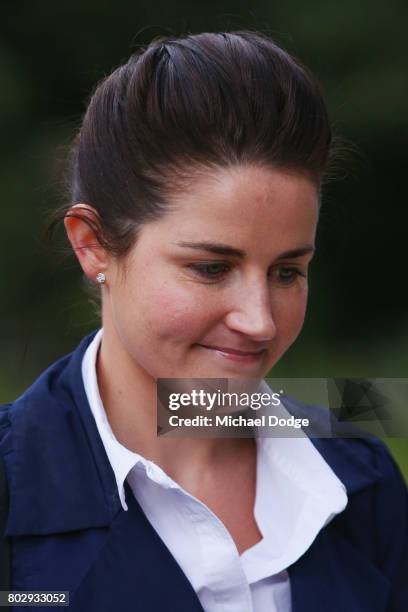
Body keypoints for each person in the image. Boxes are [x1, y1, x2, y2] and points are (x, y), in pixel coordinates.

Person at [0, 30, 407, 612]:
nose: (260, 321)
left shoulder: (359, 475)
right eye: (212, 267)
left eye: (288, 272)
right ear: (92, 246)